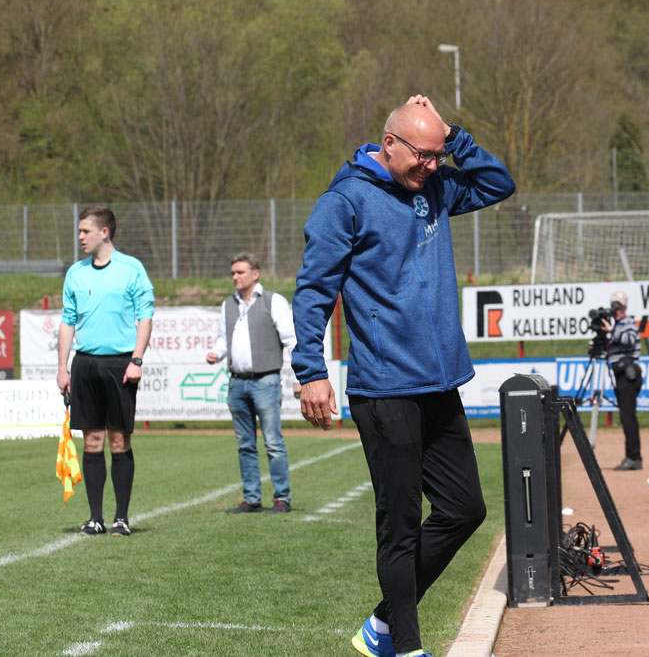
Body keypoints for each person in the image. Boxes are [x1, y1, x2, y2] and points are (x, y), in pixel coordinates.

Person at [291, 95, 515, 657]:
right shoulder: (343, 202)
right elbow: (314, 292)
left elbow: (497, 184)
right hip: (385, 387)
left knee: (466, 510)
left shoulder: (434, 186)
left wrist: (452, 135)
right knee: (400, 525)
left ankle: (382, 626)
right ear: (388, 143)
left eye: (439, 156)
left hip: (440, 384)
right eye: (423, 155)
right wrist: (310, 371)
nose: (432, 167)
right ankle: (407, 647)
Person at [57, 206, 154, 537]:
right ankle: (95, 518)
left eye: (85, 231)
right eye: (79, 230)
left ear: (104, 232)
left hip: (120, 364)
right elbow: (67, 321)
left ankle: (121, 518)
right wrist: (62, 368)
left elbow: (145, 316)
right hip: (84, 365)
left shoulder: (131, 269)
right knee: (92, 441)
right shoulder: (76, 273)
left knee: (118, 439)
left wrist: (137, 359)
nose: (80, 236)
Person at [206, 252, 297, 515]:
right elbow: (224, 339)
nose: (235, 277)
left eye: (240, 272)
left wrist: (301, 376)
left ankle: (282, 498)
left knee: (272, 442)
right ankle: (252, 499)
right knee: (245, 444)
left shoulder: (273, 301)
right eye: (233, 273)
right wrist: (217, 353)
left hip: (266, 380)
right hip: (237, 383)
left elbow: (291, 339)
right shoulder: (228, 305)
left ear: (255, 274)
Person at [601, 291, 643, 470]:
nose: (615, 310)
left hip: (629, 374)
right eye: (613, 306)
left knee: (627, 417)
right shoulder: (617, 324)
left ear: (624, 308)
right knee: (626, 416)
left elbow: (629, 339)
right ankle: (633, 457)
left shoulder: (628, 323)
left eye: (618, 306)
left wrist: (612, 332)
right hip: (620, 374)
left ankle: (633, 457)